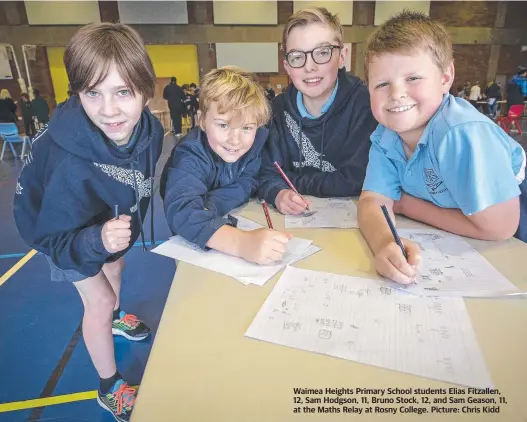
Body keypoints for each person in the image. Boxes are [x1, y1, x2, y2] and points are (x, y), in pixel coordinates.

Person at [13, 23, 164, 421]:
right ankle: (108, 384)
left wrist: (113, 238)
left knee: (116, 263)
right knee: (97, 298)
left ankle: (116, 318)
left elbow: (137, 181)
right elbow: (57, 236)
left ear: (147, 91)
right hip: (56, 226)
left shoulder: (151, 130)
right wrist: (96, 238)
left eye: (123, 92)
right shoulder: (68, 163)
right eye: (92, 93)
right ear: (77, 92)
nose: (109, 110)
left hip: (104, 217)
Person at [358, 11, 526, 285]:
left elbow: (501, 228)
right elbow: (373, 201)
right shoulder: (385, 135)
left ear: (446, 78)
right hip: (458, 234)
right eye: (382, 83)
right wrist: (386, 243)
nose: (396, 93)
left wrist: (408, 206)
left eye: (413, 78)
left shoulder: (462, 134)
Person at [161, 66, 293, 265]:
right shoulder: (190, 154)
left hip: (221, 216)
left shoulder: (255, 144)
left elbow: (249, 180)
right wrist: (242, 244)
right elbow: (182, 212)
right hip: (191, 236)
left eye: (247, 128)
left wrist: (209, 204)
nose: (235, 140)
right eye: (223, 125)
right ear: (202, 121)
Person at [257, 7, 377, 216]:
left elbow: (355, 180)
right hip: (294, 224)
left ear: (342, 57)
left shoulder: (365, 105)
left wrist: (291, 180)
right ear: (287, 65)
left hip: (354, 219)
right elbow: (266, 173)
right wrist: (278, 193)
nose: (309, 67)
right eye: (297, 56)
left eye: (322, 53)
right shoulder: (276, 111)